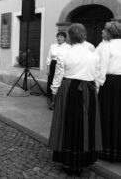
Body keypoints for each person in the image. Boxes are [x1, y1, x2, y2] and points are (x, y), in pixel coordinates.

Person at [48, 23, 102, 175]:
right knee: (86, 125)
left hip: (69, 90)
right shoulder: (93, 54)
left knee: (68, 124)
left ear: (70, 37)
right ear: (84, 35)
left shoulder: (65, 54)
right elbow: (97, 77)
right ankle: (84, 161)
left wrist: (54, 92)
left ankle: (68, 161)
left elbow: (58, 75)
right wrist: (95, 92)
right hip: (89, 91)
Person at [96, 21, 121, 162]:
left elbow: (102, 69)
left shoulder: (108, 46)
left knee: (108, 115)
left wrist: (98, 89)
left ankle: (107, 150)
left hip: (110, 84)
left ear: (110, 32)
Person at [46, 32, 70, 110]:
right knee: (51, 82)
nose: (59, 38)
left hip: (62, 67)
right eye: (58, 37)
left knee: (60, 83)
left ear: (65, 38)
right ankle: (50, 101)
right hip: (53, 65)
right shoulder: (53, 46)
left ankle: (59, 102)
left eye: (61, 37)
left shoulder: (68, 47)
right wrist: (48, 69)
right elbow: (49, 58)